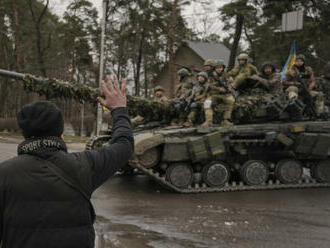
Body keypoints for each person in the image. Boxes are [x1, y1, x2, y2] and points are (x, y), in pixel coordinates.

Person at [0, 75, 134, 248]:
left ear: (24, 133)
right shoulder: (85, 165)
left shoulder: (4, 174)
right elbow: (124, 145)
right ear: (61, 132)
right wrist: (119, 109)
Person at [203, 59, 235, 126]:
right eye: (217, 68)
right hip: (214, 94)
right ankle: (208, 121)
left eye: (220, 67)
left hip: (225, 94)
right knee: (207, 103)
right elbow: (209, 85)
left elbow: (232, 83)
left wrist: (230, 87)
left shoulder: (226, 75)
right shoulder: (211, 76)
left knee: (231, 100)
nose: (219, 69)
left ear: (223, 68)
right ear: (215, 68)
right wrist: (219, 89)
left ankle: (226, 120)